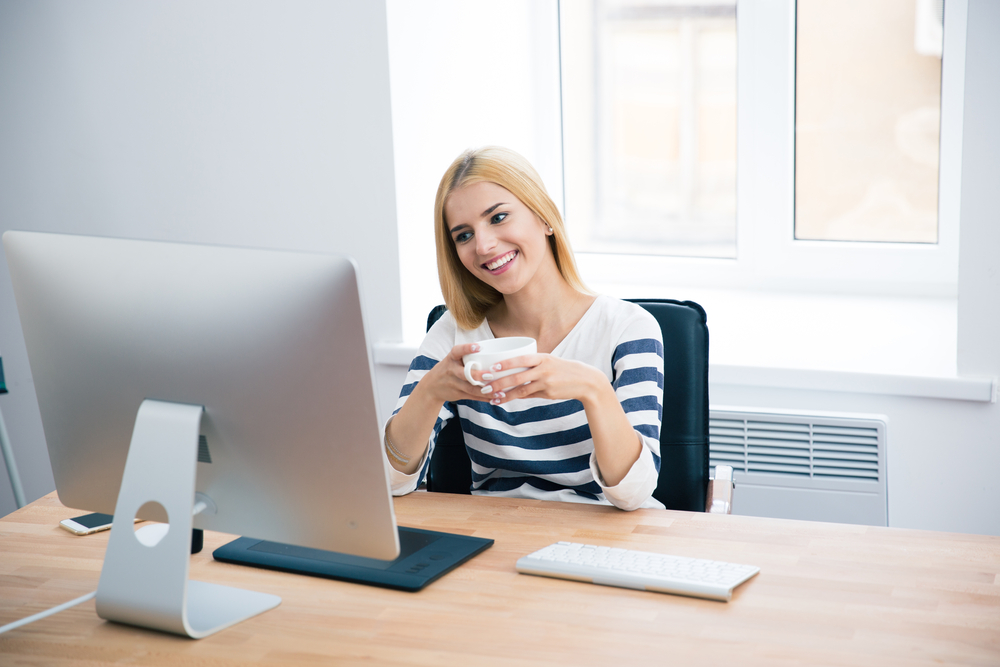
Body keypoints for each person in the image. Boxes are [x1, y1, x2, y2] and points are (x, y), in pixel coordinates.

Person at [383, 146, 664, 511]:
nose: (483, 245)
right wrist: (431, 390)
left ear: (544, 218)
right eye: (463, 235)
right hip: (498, 534)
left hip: (605, 534)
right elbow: (389, 481)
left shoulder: (627, 328)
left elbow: (634, 494)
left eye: (498, 217)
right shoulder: (455, 332)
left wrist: (593, 389)